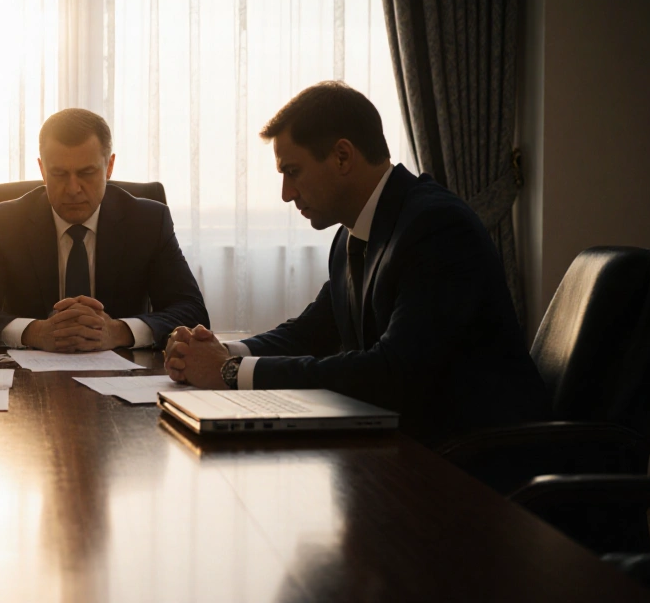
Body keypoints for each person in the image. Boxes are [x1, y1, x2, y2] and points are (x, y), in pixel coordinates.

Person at [164, 82, 549, 444]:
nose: (286, 194)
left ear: (343, 156)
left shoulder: (436, 227)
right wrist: (222, 353)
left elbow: (391, 373)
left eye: (292, 171)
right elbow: (309, 332)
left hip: (473, 464)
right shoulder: (353, 234)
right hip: (405, 446)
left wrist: (227, 373)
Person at [0, 108, 209, 352]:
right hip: (29, 380)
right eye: (59, 174)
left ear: (109, 167)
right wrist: (35, 332)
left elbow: (193, 312)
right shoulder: (4, 222)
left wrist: (118, 332)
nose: (73, 189)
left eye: (86, 173)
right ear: (42, 170)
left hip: (123, 376)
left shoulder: (148, 221)